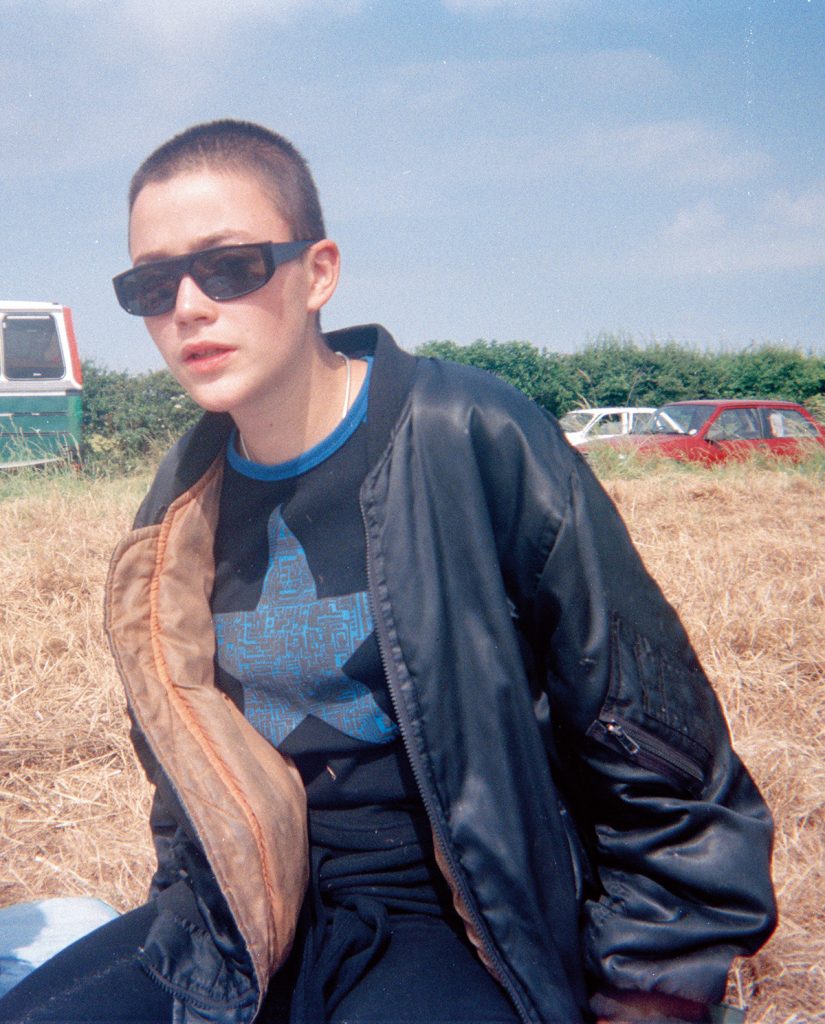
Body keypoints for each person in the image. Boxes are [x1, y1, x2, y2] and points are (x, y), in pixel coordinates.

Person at [0, 119, 776, 1024]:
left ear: (319, 271)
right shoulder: (179, 503)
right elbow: (183, 764)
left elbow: (645, 723)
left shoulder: (470, 434)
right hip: (248, 907)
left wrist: (656, 980)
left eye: (228, 267)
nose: (187, 307)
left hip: (451, 911)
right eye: (150, 283)